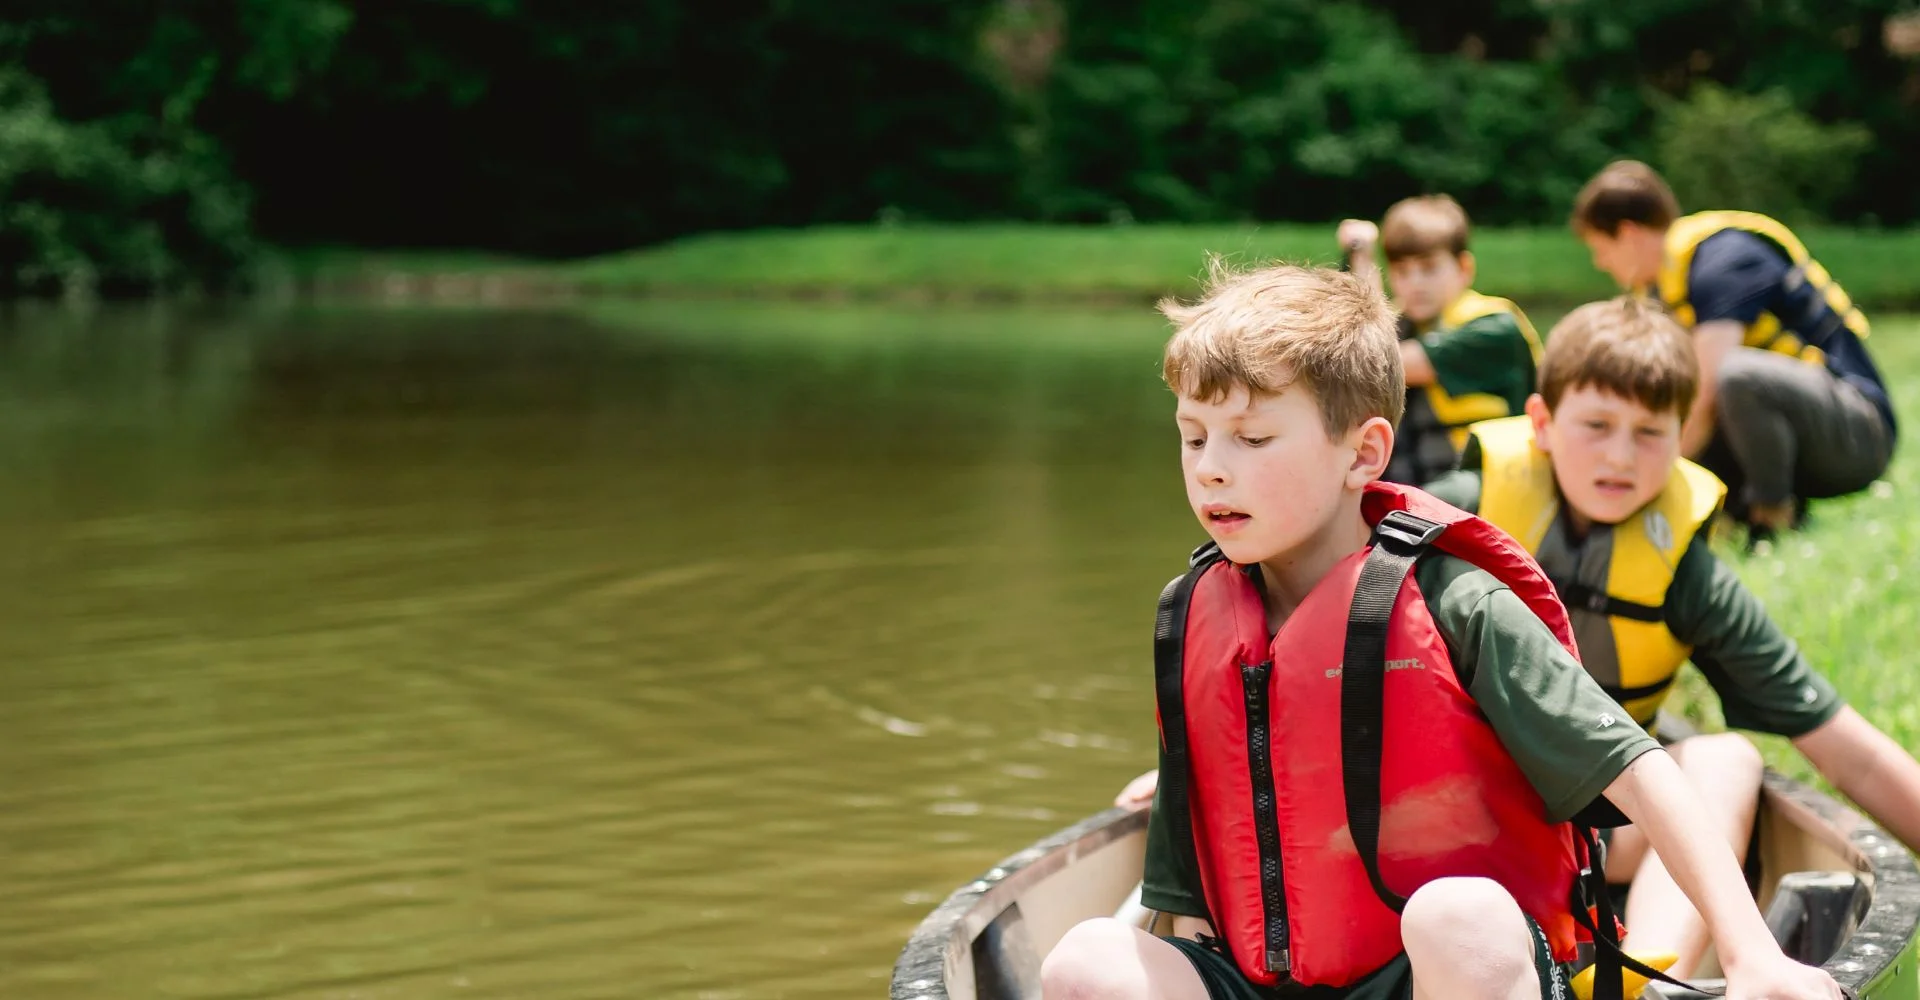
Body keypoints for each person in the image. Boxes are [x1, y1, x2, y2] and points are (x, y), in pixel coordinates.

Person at [1050, 262, 1841, 1000]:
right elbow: (1190, 903)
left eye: (1252, 439)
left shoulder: (1456, 600)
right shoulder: (1194, 617)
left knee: (1455, 916)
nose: (1212, 468)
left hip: (1445, 968)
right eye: (1194, 437)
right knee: (1085, 962)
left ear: (1363, 453)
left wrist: (1750, 956)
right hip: (1276, 982)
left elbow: (1642, 771)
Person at [1409, 294, 1920, 977]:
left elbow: (1841, 745)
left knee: (1726, 758)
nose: (1620, 456)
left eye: (1650, 432)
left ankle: (1649, 977)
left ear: (1683, 438)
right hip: (1449, 827)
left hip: (1593, 836)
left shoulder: (1683, 571)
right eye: (1596, 424)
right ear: (1542, 423)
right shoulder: (1452, 512)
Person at [1569, 160, 1895, 538]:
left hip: (1859, 434)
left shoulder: (1721, 261)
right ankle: (1729, 517)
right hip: (1799, 432)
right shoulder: (1662, 288)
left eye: (1600, 247)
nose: (1599, 262)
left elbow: (1708, 388)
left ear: (1628, 233)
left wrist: (1652, 474)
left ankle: (1771, 517)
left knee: (1736, 378)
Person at [1338, 194, 1543, 486]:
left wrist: (1363, 261)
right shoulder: (1402, 326)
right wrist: (1356, 256)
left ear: (1464, 268)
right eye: (1402, 271)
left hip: (1491, 488)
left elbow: (1373, 362)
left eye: (1429, 268)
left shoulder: (1497, 329)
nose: (1415, 283)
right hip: (1424, 489)